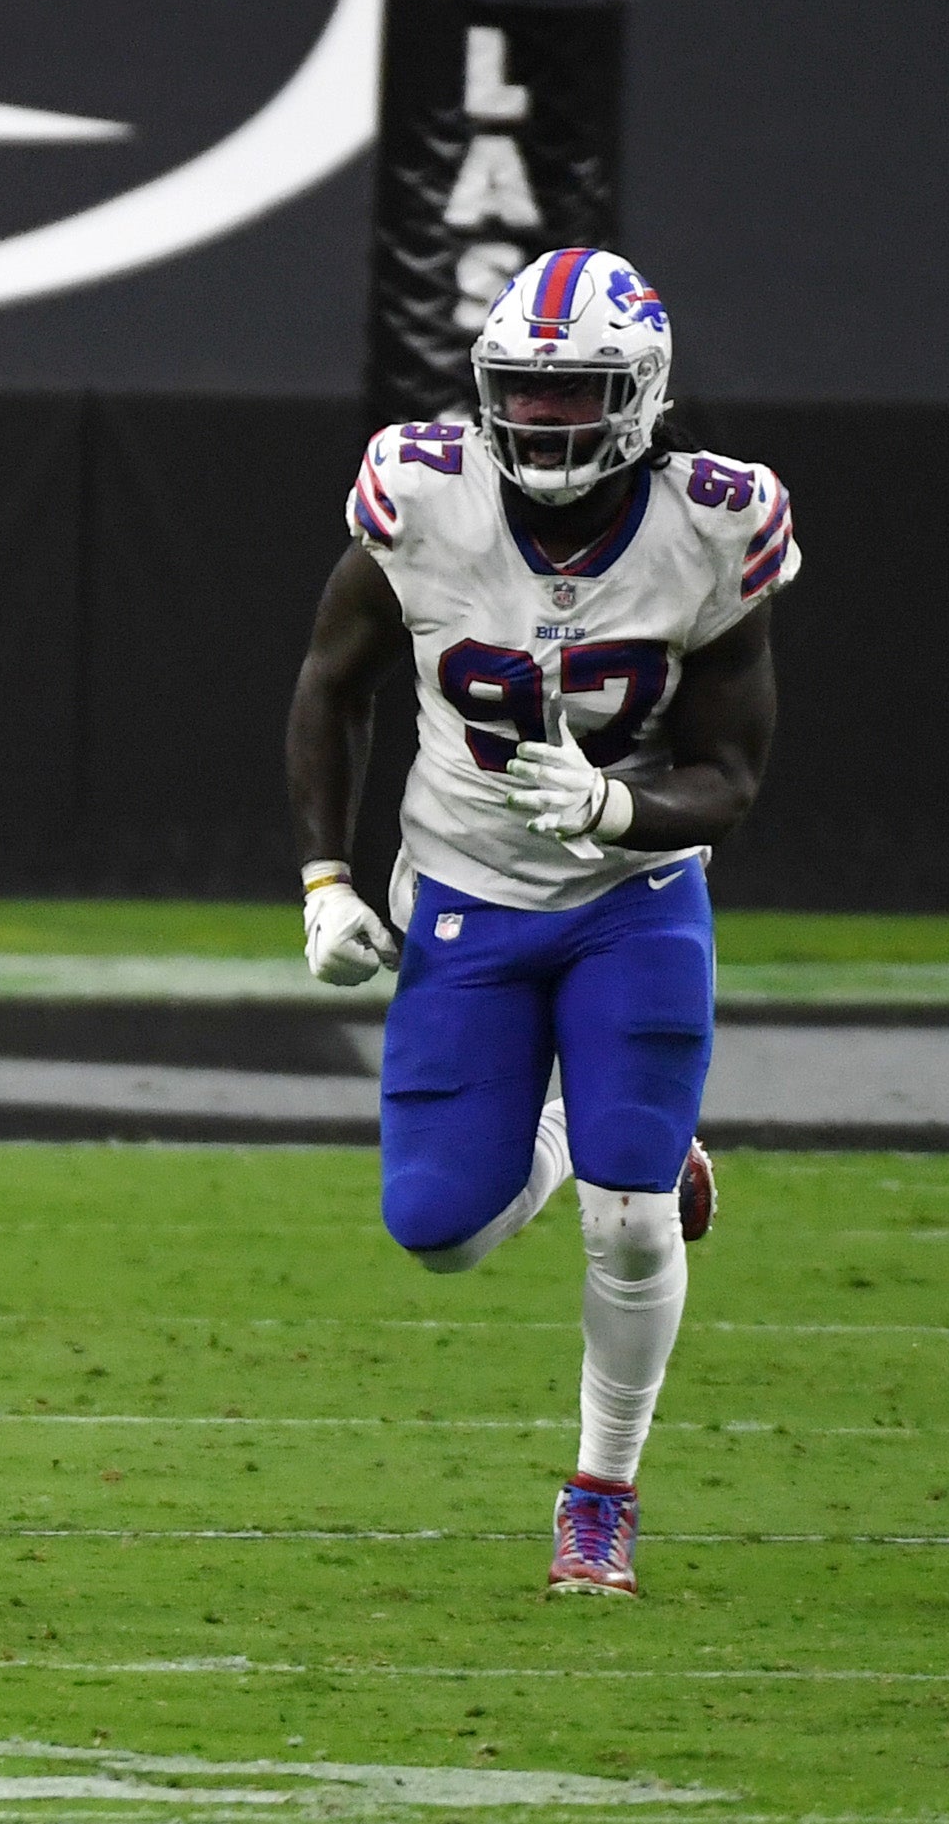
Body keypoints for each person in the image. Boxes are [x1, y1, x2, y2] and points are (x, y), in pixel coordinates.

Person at [285, 247, 798, 1599]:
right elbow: (331, 680)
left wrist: (619, 813)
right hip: (462, 892)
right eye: (522, 390)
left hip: (631, 904)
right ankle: (601, 1134)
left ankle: (598, 1495)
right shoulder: (423, 496)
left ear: (636, 398)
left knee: (630, 1228)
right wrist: (324, 878)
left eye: (572, 396)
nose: (541, 421)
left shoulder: (711, 524)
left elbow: (729, 780)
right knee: (438, 1228)